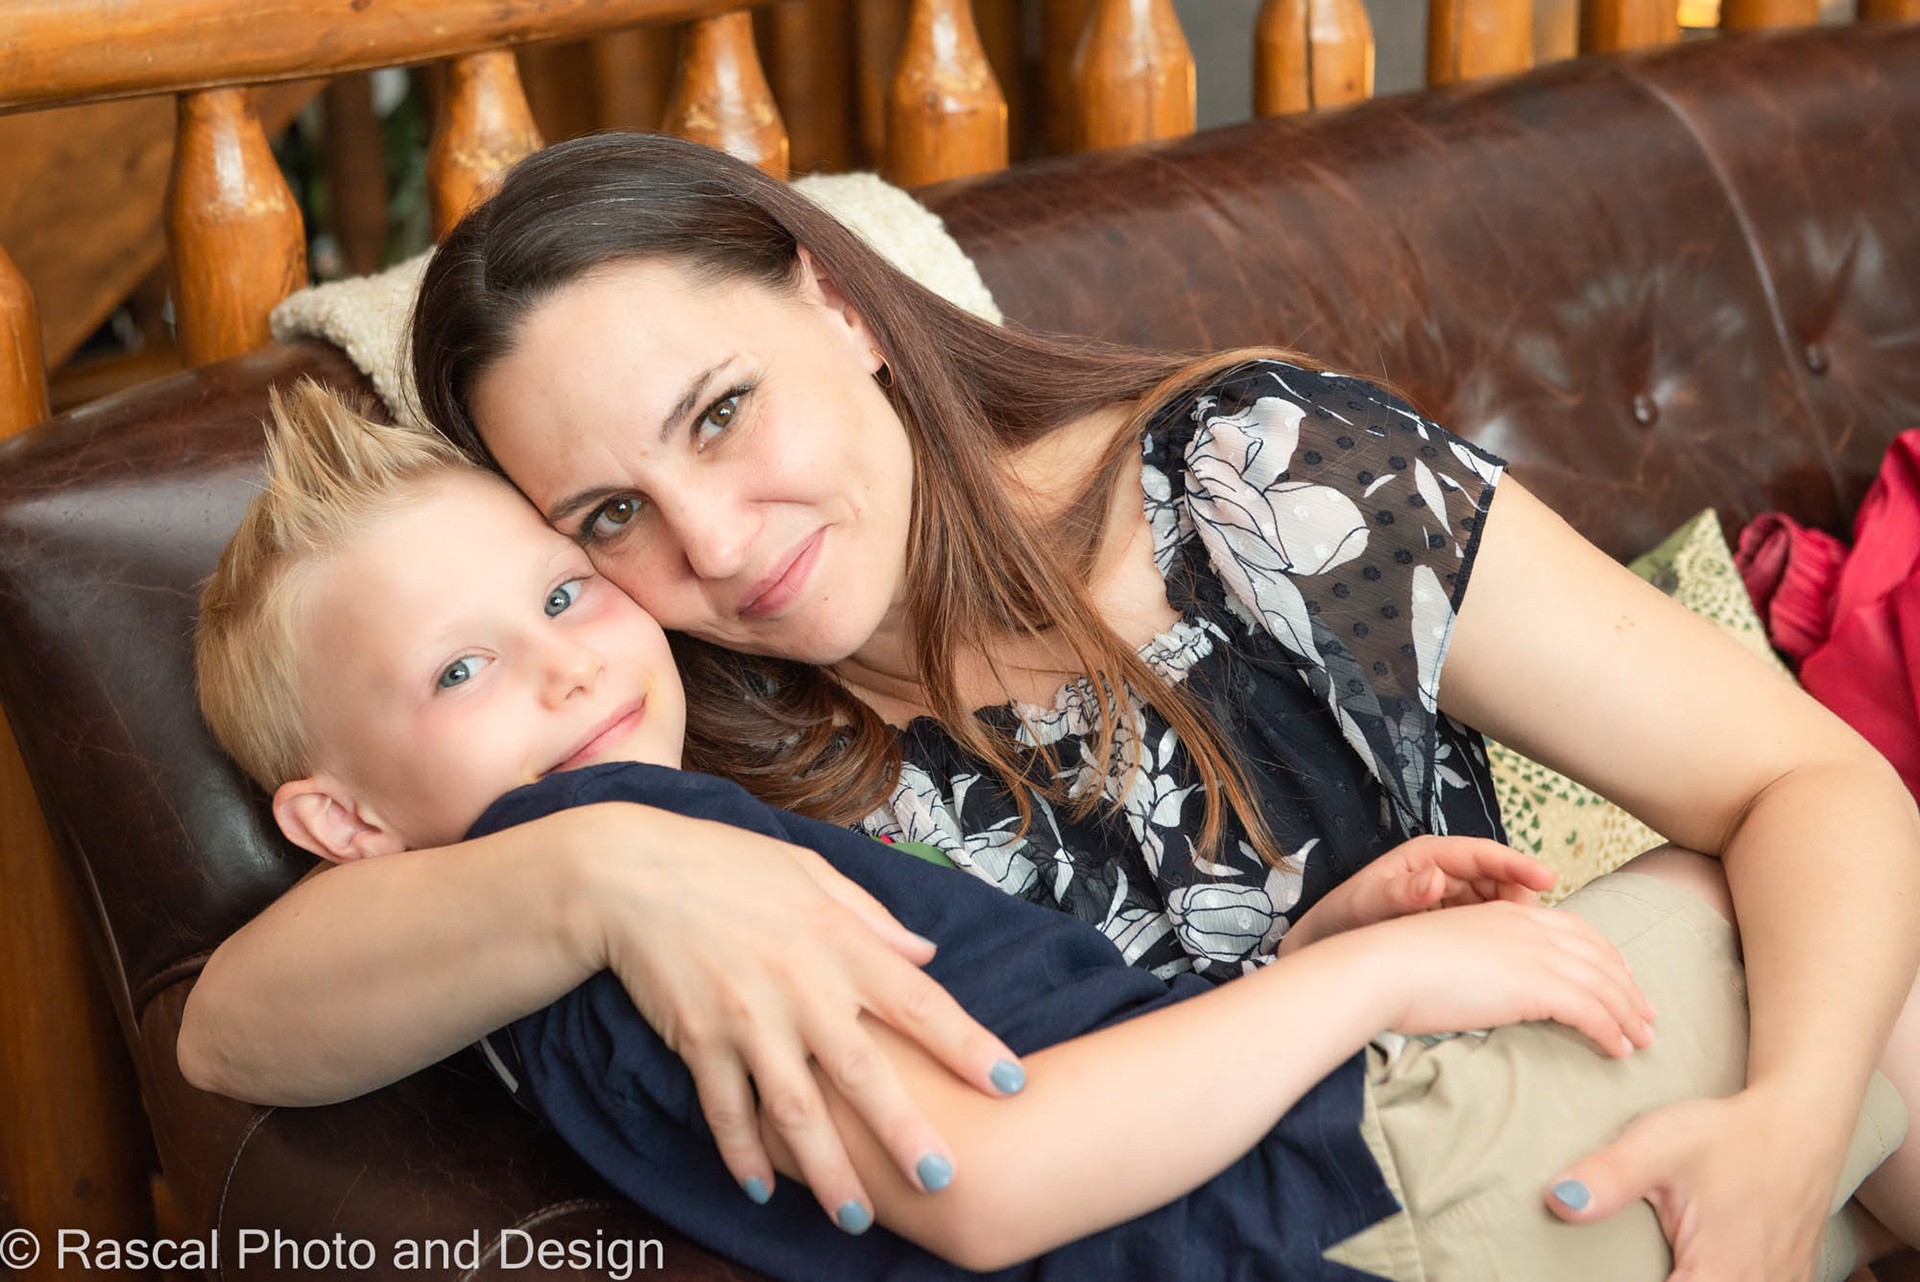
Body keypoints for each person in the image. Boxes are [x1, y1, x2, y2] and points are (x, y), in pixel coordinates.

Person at [178, 132, 1920, 1280]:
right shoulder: (647, 724)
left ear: (842, 305)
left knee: (1832, 967)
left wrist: (1783, 1136)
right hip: (1359, 1208)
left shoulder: (1257, 477)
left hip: (1480, 1132)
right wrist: (602, 876)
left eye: (720, 413)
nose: (708, 541)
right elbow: (228, 1029)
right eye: (604, 517)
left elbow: (1811, 786)